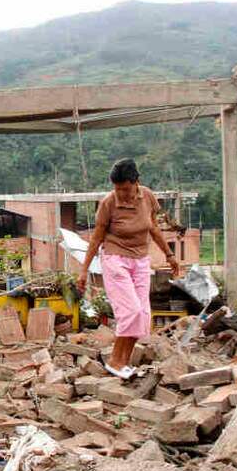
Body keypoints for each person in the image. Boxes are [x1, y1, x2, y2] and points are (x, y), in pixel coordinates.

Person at [77, 159, 181, 379]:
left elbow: (153, 227)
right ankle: (115, 360)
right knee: (130, 311)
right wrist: (84, 270)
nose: (121, 193)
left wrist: (169, 255)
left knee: (143, 315)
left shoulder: (148, 197)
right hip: (115, 258)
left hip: (141, 259)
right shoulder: (108, 203)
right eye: (117, 189)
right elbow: (96, 238)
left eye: (125, 188)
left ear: (136, 183)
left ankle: (123, 363)